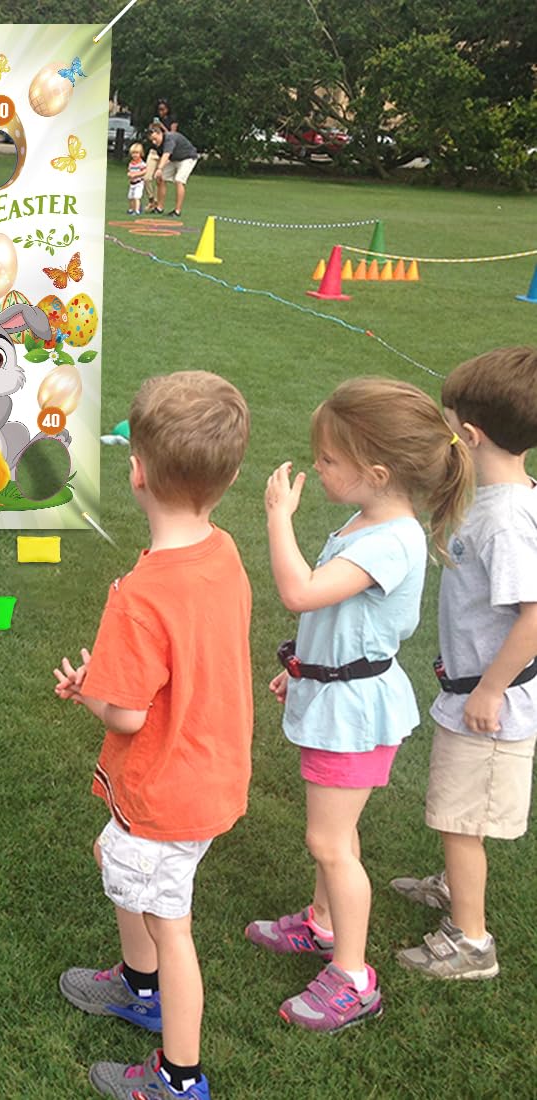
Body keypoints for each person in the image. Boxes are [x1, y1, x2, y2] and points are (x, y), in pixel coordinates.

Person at [246, 378, 473, 1032]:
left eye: (329, 460)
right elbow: (338, 619)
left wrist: (276, 517)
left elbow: (302, 591)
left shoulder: (391, 541)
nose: (318, 468)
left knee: (330, 840)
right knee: (332, 835)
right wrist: (304, 668)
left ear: (376, 473)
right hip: (337, 693)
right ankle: (320, 924)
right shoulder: (367, 518)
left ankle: (353, 977)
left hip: (354, 713)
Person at [54, 371, 254, 1100]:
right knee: (115, 856)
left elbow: (128, 714)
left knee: (174, 927)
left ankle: (179, 1077)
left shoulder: (139, 595)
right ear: (226, 479)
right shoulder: (223, 551)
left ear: (136, 473)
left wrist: (92, 696)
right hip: (206, 772)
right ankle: (138, 990)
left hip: (168, 787)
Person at [391, 347, 537, 979]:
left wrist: (490, 690)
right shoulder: (498, 495)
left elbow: (535, 615)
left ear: (471, 435)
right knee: (459, 811)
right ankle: (455, 884)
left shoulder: (508, 521)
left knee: (460, 818)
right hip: (475, 689)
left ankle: (470, 942)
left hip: (491, 703)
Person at [155, 122, 198, 218]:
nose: (154, 142)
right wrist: (159, 171)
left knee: (179, 180)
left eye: (155, 139)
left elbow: (166, 154)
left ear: (160, 134)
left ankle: (177, 211)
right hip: (175, 159)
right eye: (152, 140)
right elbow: (163, 158)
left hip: (188, 158)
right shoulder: (158, 145)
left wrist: (159, 168)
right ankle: (159, 208)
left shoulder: (169, 138)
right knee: (160, 177)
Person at [127, 142, 146, 215]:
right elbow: (129, 171)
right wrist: (129, 174)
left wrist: (136, 175)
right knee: (130, 197)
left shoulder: (141, 163)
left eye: (137, 153)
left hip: (139, 183)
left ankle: (137, 210)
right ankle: (131, 209)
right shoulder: (131, 163)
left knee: (136, 196)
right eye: (133, 153)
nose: (135, 155)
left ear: (140, 153)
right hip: (132, 183)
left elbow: (144, 171)